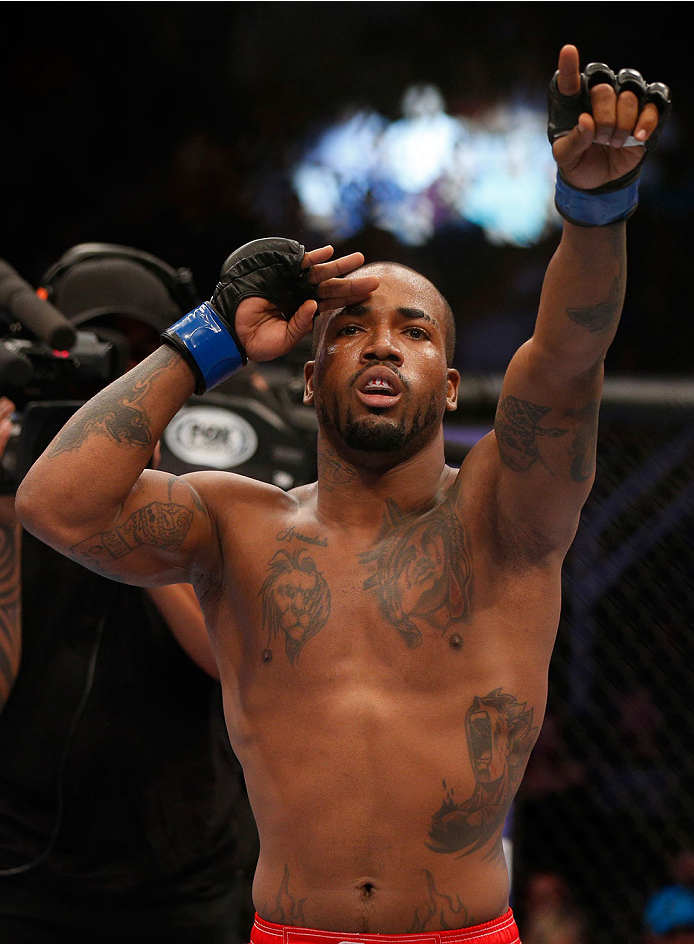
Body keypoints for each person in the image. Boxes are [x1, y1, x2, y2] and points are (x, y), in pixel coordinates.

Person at [15, 46, 670, 943]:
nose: (382, 343)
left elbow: (565, 359)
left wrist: (595, 211)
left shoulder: (506, 516)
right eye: (352, 326)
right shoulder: (234, 525)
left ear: (448, 384)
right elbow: (57, 505)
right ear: (309, 371)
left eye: (414, 329)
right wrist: (211, 335)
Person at [0, 246, 257, 943]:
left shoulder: (226, 468)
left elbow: (229, 657)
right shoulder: (10, 460)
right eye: (94, 350)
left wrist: (137, 485)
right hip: (18, 872)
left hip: (178, 875)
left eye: (139, 352)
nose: (111, 372)